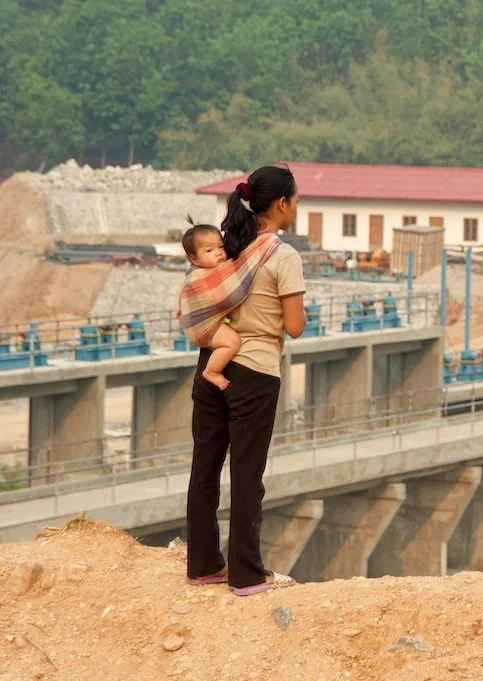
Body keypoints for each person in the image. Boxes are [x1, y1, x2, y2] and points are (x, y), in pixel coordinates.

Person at [185, 165, 307, 597]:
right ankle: (247, 575)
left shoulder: (226, 247)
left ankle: (202, 566)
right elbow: (293, 327)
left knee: (205, 466)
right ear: (281, 203)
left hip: (211, 364)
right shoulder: (282, 256)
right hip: (255, 370)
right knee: (247, 472)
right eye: (296, 199)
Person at [178, 223, 240, 390]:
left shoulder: (193, 272)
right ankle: (212, 371)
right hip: (203, 327)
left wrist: (181, 308)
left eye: (220, 246)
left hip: (194, 323)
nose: (218, 252)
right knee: (232, 343)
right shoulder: (205, 275)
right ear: (194, 259)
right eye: (209, 250)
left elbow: (185, 293)